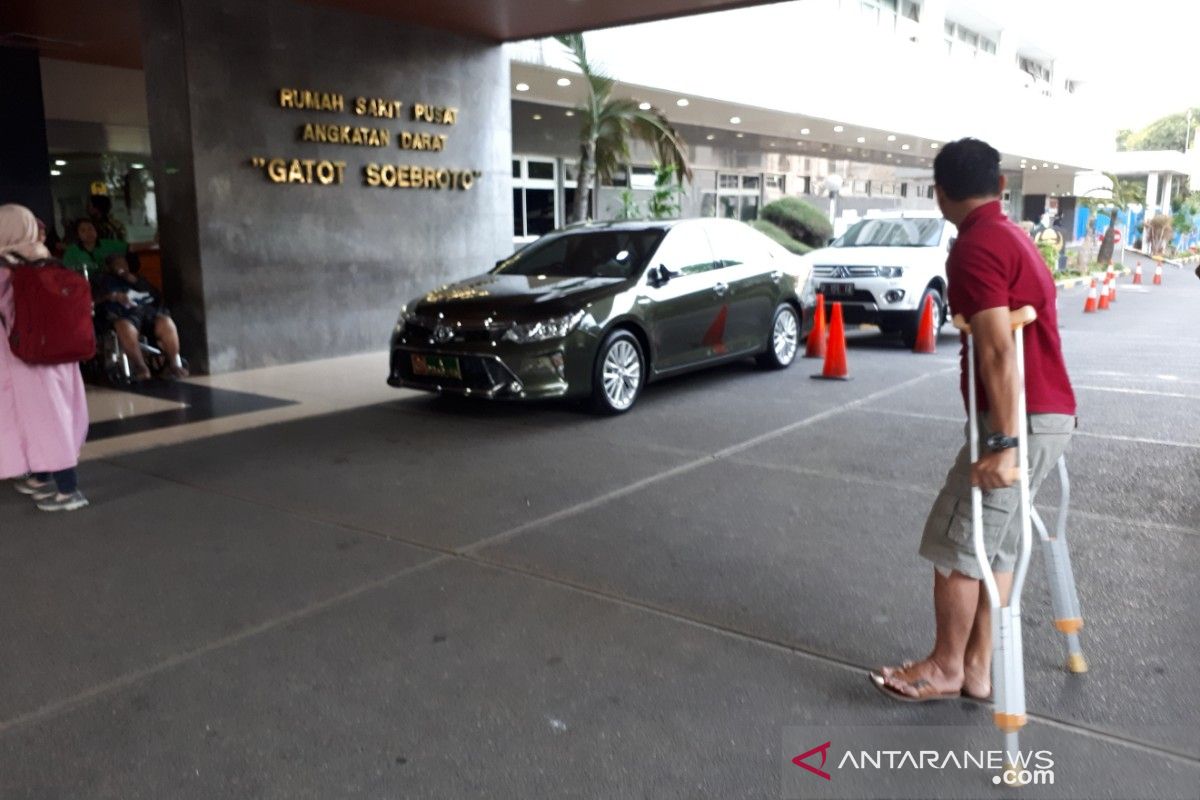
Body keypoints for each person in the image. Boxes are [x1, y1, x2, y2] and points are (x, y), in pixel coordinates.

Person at [870, 138, 1076, 702]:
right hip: (1047, 413)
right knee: (999, 546)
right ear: (1001, 186)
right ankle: (977, 669)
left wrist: (1005, 442)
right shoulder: (1012, 235)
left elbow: (996, 349)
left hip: (1019, 419)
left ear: (939, 194)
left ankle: (945, 667)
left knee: (956, 540)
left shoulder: (977, 245)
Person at [0, 204, 90, 512]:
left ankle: (69, 489)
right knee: (50, 416)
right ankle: (41, 475)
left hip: (25, 359)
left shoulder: (6, 266)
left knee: (44, 420)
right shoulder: (45, 258)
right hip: (58, 354)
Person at [93, 252, 188, 380]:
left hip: (146, 311)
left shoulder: (137, 279)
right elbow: (93, 300)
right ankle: (141, 366)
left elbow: (156, 295)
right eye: (118, 264)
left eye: (124, 263)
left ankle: (174, 364)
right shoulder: (102, 280)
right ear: (110, 267)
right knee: (124, 325)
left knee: (166, 322)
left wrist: (135, 281)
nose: (122, 266)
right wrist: (113, 296)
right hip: (123, 313)